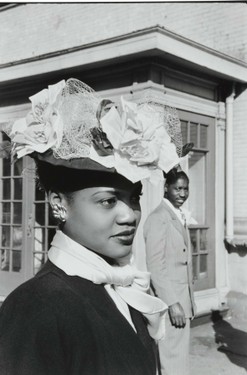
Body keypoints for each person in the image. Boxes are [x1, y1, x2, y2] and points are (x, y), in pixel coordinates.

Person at [0, 78, 183, 375]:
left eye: (133, 198)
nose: (130, 215)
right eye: (108, 201)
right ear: (59, 203)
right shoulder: (35, 306)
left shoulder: (125, 284)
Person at [144, 168, 196, 375]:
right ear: (166, 188)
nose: (182, 194)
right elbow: (156, 265)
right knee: (172, 359)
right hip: (172, 302)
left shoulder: (175, 215)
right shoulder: (159, 218)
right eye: (177, 189)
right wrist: (173, 303)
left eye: (186, 189)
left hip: (182, 300)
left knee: (176, 358)